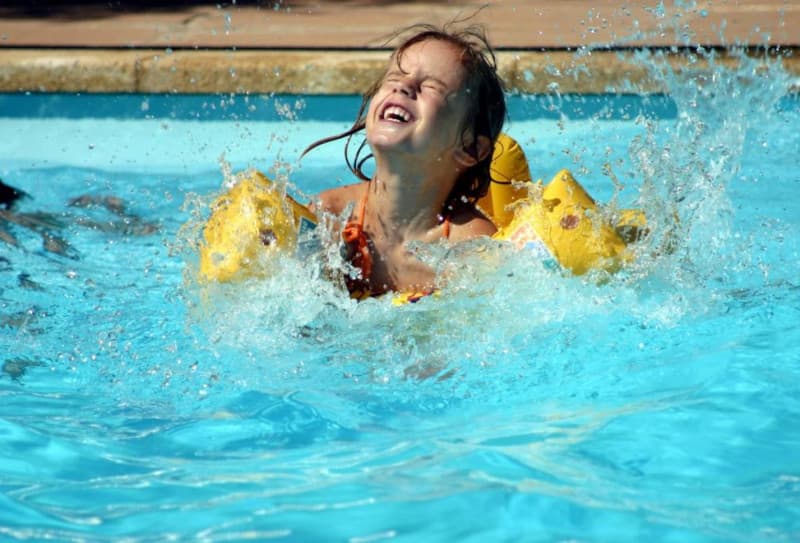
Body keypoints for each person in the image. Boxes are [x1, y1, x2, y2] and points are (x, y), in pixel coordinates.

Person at [304, 23, 507, 299]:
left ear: (469, 148)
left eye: (431, 87)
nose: (404, 86)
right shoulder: (328, 217)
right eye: (394, 78)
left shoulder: (471, 247)